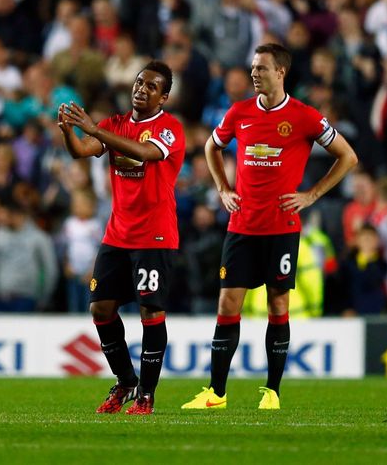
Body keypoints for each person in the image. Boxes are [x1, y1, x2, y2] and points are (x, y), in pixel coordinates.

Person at [181, 43, 357, 411]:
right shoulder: (238, 112)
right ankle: (216, 393)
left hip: (281, 227)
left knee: (279, 305)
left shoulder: (305, 116)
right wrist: (223, 188)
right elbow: (212, 148)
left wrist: (311, 195)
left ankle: (272, 392)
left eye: (261, 68)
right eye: (252, 68)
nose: (254, 74)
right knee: (228, 303)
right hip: (242, 226)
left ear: (281, 72)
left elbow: (348, 156)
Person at [58, 61, 185, 415]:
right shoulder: (114, 124)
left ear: (164, 97)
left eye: (152, 86)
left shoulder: (170, 128)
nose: (142, 89)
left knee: (150, 311)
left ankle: (147, 394)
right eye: (140, 82)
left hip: (154, 235)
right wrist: (69, 131)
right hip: (118, 233)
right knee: (100, 308)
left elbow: (144, 153)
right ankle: (126, 381)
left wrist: (93, 130)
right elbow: (79, 152)